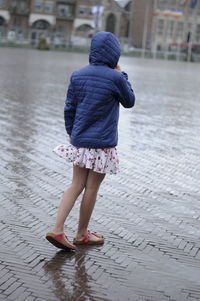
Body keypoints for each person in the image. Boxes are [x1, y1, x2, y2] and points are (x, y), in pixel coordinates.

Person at [45, 31, 135, 251]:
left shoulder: (78, 75)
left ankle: (57, 229)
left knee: (75, 184)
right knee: (91, 188)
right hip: (102, 144)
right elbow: (130, 101)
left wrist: (73, 135)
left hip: (80, 140)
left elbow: (69, 109)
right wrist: (122, 76)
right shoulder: (115, 78)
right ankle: (82, 234)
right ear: (115, 53)